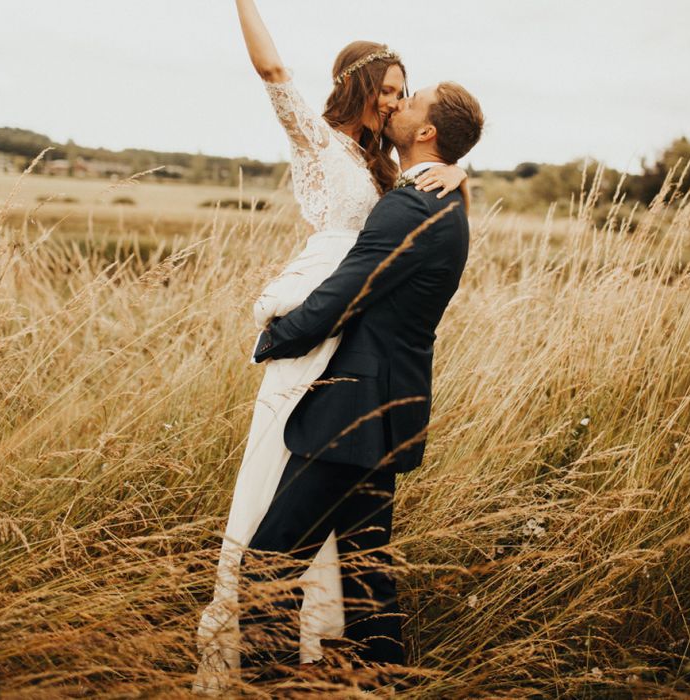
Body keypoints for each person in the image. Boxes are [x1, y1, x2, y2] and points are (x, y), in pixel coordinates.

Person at [193, 0, 468, 692]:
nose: (396, 102)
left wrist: (460, 173)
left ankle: (300, 671)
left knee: (352, 557)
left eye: (407, 95)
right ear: (359, 84)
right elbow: (273, 67)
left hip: (345, 357)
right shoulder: (322, 143)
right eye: (389, 90)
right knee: (330, 533)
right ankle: (299, 668)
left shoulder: (397, 178)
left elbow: (408, 217)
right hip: (327, 347)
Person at [238, 80, 484, 685]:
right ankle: (384, 682)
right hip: (393, 410)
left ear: (427, 132)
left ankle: (268, 687)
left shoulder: (410, 205)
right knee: (367, 568)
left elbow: (345, 293)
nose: (397, 104)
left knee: (265, 566)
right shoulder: (446, 201)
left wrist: (277, 337)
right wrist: (461, 172)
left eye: (411, 100)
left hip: (352, 410)